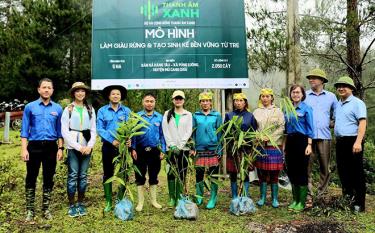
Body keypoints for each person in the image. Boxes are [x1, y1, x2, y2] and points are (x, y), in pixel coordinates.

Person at [20, 78, 64, 222]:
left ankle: (46, 209)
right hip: (34, 146)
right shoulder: (30, 107)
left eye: (49, 87)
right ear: (39, 89)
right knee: (31, 177)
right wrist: (23, 149)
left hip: (51, 147)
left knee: (48, 178)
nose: (46, 90)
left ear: (52, 90)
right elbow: (24, 130)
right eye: (43, 87)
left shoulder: (57, 108)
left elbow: (60, 131)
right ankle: (30, 210)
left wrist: (60, 148)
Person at [61, 82, 96, 217]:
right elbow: (64, 131)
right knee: (73, 175)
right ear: (73, 93)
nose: (80, 93)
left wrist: (89, 146)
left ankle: (81, 202)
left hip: (87, 146)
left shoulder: (90, 109)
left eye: (82, 91)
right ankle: (71, 204)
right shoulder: (68, 109)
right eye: (77, 91)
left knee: (83, 176)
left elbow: (93, 129)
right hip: (73, 146)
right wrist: (78, 147)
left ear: (85, 93)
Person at [304, 68, 338, 207]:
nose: (311, 80)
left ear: (322, 81)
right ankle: (309, 195)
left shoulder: (331, 96)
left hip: (324, 136)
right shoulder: (305, 95)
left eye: (314, 78)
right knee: (307, 167)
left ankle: (321, 194)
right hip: (308, 138)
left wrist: (330, 123)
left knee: (325, 167)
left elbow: (337, 113)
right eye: (310, 77)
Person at [334, 76, 367, 212]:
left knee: (356, 173)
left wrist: (358, 142)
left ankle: (359, 204)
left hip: (353, 142)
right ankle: (348, 200)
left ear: (351, 89)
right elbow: (337, 121)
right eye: (339, 86)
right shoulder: (338, 104)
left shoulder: (357, 103)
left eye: (344, 86)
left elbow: (362, 123)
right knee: (343, 172)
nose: (341, 88)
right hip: (340, 142)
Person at [97, 85, 131, 212]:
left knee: (123, 172)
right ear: (109, 96)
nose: (115, 96)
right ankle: (108, 201)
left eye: (118, 94)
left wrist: (128, 139)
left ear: (121, 96)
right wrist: (112, 141)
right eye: (113, 94)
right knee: (108, 173)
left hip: (123, 148)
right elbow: (100, 129)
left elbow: (130, 128)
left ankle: (120, 198)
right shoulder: (102, 111)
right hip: (108, 146)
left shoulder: (127, 111)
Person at [131, 93, 166, 212]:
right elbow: (133, 135)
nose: (149, 103)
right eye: (147, 101)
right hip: (140, 151)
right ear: (143, 102)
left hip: (155, 151)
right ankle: (140, 203)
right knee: (140, 176)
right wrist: (133, 149)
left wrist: (163, 150)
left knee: (153, 176)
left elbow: (162, 135)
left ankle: (154, 201)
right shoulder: (136, 117)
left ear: (155, 103)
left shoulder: (160, 117)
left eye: (151, 101)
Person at [253, 88, 285, 208]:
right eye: (263, 96)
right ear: (260, 98)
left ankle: (275, 198)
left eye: (267, 96)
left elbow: (281, 128)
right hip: (260, 145)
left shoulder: (278, 111)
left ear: (272, 98)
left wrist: (270, 137)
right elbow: (253, 127)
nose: (265, 98)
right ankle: (262, 197)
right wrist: (259, 136)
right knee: (262, 173)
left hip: (274, 145)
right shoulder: (256, 112)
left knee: (274, 173)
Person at [284, 84, 314, 212]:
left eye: (298, 92)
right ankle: (295, 200)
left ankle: (301, 203)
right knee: (291, 171)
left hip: (302, 141)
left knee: (301, 171)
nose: (295, 95)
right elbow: (285, 129)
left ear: (302, 94)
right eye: (293, 92)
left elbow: (311, 128)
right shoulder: (287, 109)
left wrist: (309, 145)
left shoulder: (307, 108)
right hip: (290, 141)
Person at [162, 90, 193, 207]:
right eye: (176, 98)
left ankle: (180, 195)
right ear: (173, 100)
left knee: (182, 172)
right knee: (171, 172)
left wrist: (180, 146)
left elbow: (188, 131)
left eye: (180, 98)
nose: (178, 100)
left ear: (183, 100)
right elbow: (165, 130)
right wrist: (171, 145)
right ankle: (172, 198)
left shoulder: (188, 114)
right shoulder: (167, 114)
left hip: (183, 149)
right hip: (170, 149)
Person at [192, 92, 222, 209]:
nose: (205, 103)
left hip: (213, 148)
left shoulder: (216, 115)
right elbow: (193, 132)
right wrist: (192, 147)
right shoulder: (196, 115)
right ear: (200, 103)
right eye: (203, 101)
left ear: (211, 102)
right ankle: (199, 195)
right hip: (199, 149)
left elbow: (220, 132)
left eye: (207, 100)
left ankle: (213, 197)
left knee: (213, 174)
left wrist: (220, 148)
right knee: (199, 173)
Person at [225, 93, 257, 199]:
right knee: (233, 172)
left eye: (240, 100)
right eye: (236, 101)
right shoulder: (229, 115)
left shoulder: (250, 116)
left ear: (245, 102)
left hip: (246, 148)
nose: (238, 103)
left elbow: (254, 131)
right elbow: (225, 131)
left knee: (245, 172)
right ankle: (234, 195)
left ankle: (245, 194)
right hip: (233, 148)